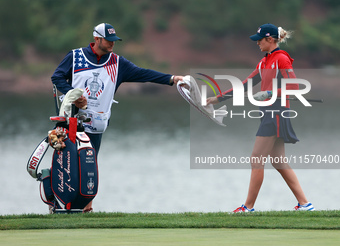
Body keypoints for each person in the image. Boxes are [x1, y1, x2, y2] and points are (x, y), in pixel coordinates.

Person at [52, 23, 183, 212]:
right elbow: (57, 78)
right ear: (97, 39)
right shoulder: (75, 56)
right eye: (109, 40)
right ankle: (60, 204)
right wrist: (73, 96)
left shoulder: (117, 63)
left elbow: (143, 73)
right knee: (68, 165)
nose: (113, 43)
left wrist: (171, 79)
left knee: (89, 167)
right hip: (71, 122)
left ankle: (86, 208)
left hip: (96, 125)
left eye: (115, 40)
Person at [207, 23, 314, 212]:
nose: (257, 44)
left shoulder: (281, 59)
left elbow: (295, 87)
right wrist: (218, 98)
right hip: (269, 112)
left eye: (259, 40)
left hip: (277, 112)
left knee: (256, 158)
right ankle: (305, 204)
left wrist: (270, 93)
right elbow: (246, 84)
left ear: (270, 39)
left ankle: (248, 207)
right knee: (278, 160)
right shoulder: (264, 62)